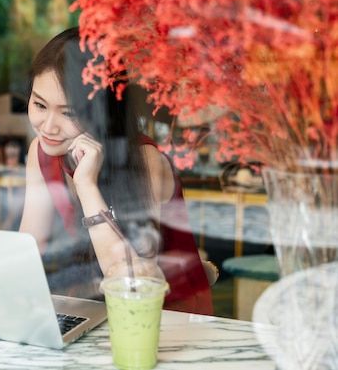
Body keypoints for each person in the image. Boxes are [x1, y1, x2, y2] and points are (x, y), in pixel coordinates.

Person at [18, 27, 213, 315]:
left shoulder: (144, 161)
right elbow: (28, 249)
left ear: (102, 112)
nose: (48, 126)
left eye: (69, 112)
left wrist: (87, 186)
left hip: (165, 316)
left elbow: (131, 282)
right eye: (39, 104)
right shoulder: (41, 152)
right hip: (94, 305)